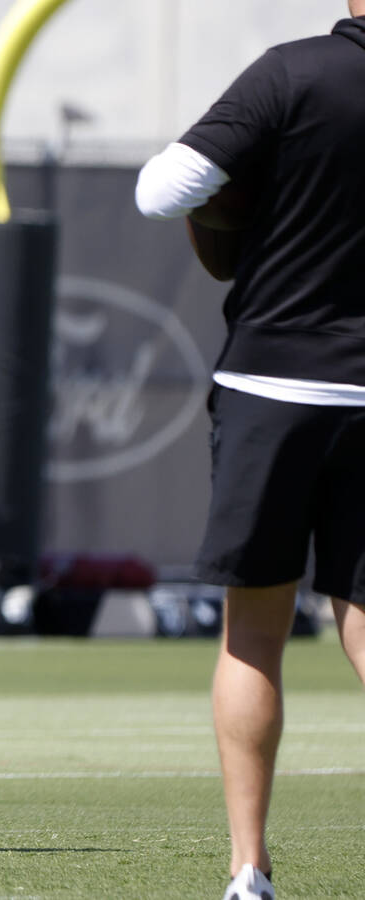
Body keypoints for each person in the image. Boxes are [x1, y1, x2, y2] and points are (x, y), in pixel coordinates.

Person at [135, 5, 365, 898]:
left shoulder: (292, 71)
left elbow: (163, 191)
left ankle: (249, 871)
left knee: (255, 635)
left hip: (275, 385)